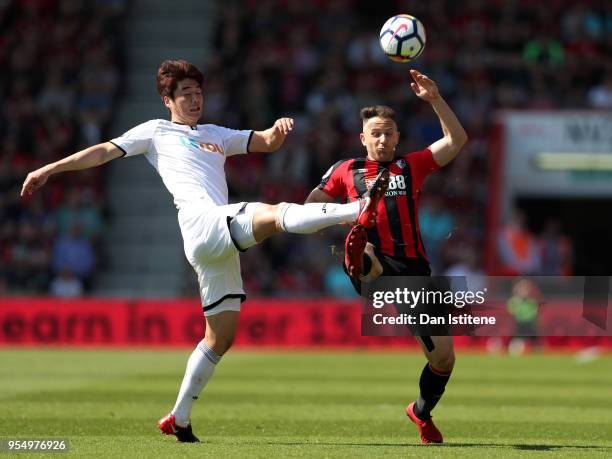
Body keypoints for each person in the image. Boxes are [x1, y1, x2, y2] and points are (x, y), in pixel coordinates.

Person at [20, 59, 389, 443]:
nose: (195, 100)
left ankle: (178, 417)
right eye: (186, 94)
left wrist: (278, 131)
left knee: (221, 337)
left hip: (215, 245)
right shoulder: (155, 131)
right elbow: (100, 153)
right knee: (274, 213)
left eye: (198, 93)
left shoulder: (216, 133)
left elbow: (264, 141)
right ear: (168, 100)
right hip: (202, 223)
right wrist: (50, 169)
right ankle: (356, 209)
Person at [306, 69, 468, 444]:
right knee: (362, 246)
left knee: (443, 359)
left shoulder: (411, 166)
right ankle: (359, 258)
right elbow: (310, 208)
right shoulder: (345, 170)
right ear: (362, 138)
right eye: (374, 133)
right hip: (375, 264)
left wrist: (434, 100)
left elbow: (456, 139)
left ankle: (421, 411)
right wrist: (344, 218)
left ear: (397, 137)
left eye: (388, 133)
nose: (382, 139)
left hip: (415, 272)